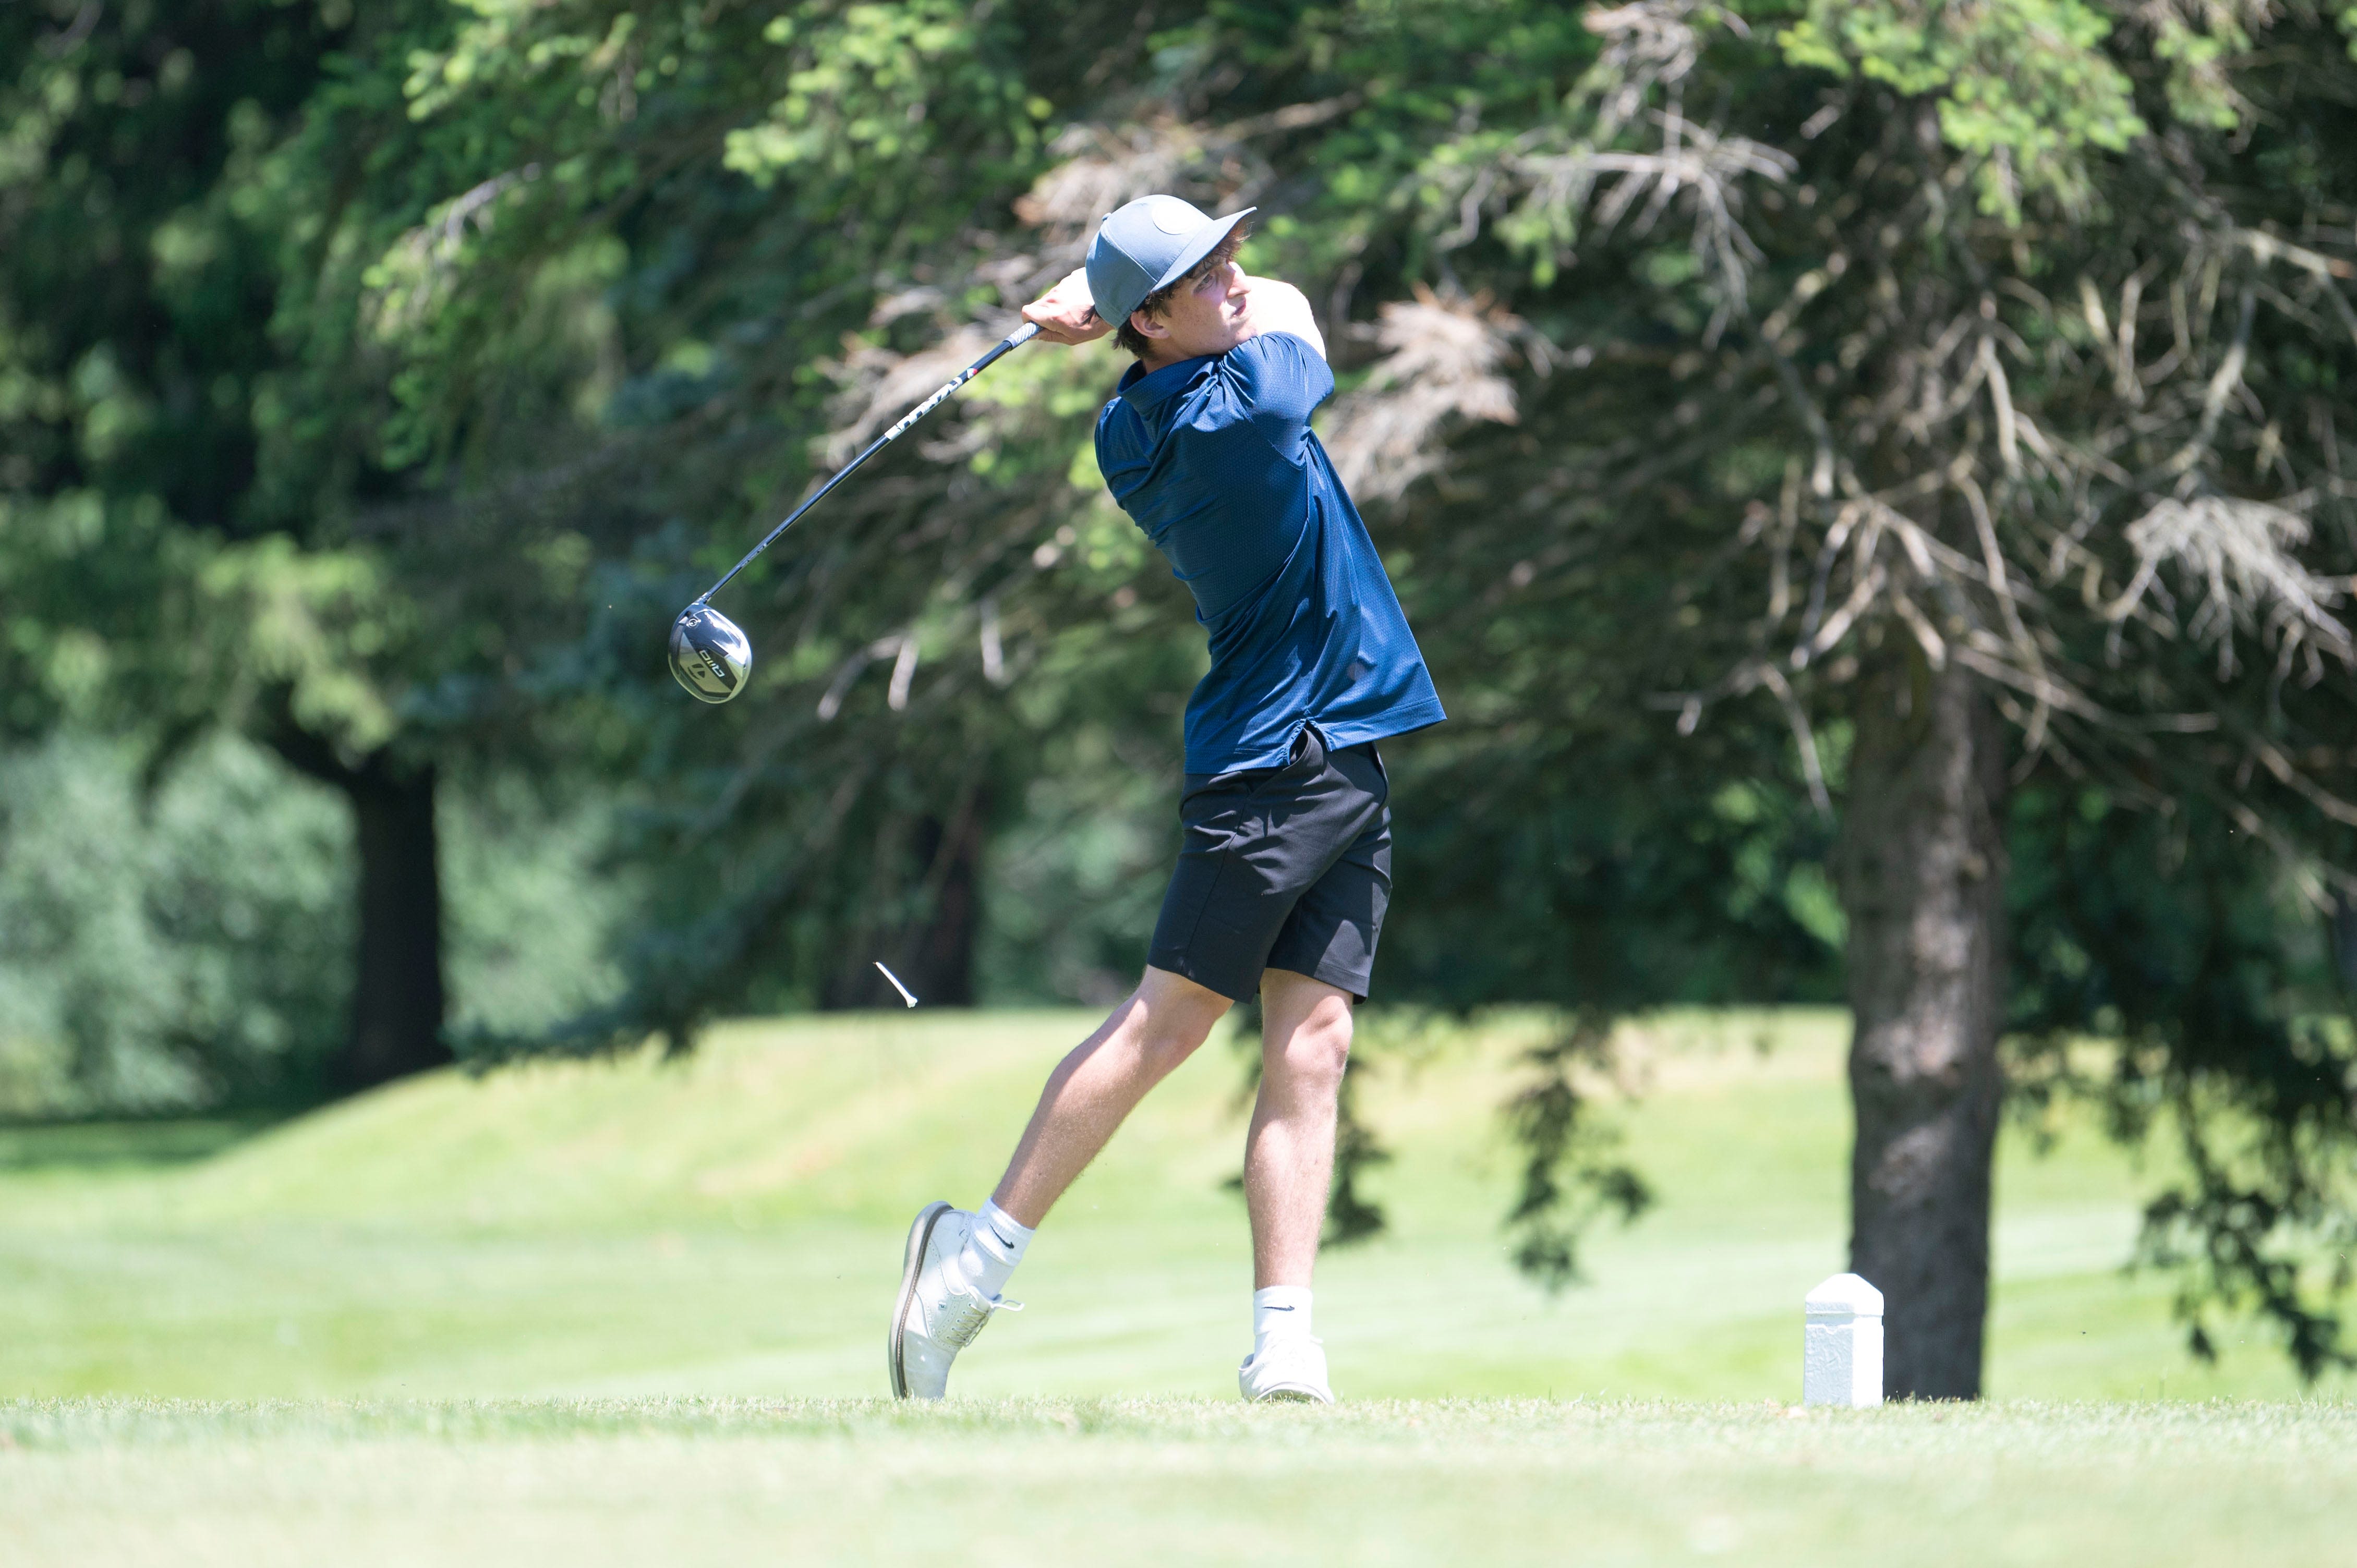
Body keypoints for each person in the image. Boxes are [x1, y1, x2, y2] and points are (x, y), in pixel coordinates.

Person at [887, 195, 1445, 1404]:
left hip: (1338, 752)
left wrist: (1120, 307)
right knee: (1167, 1027)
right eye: (1205, 274)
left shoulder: (1130, 420)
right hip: (1268, 769)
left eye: (1231, 253)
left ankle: (1284, 1338)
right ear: (1152, 316)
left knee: (1316, 1041)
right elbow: (1295, 316)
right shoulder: (1246, 407)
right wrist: (1119, 304)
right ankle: (964, 1278)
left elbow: (1231, 315)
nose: (1238, 277)